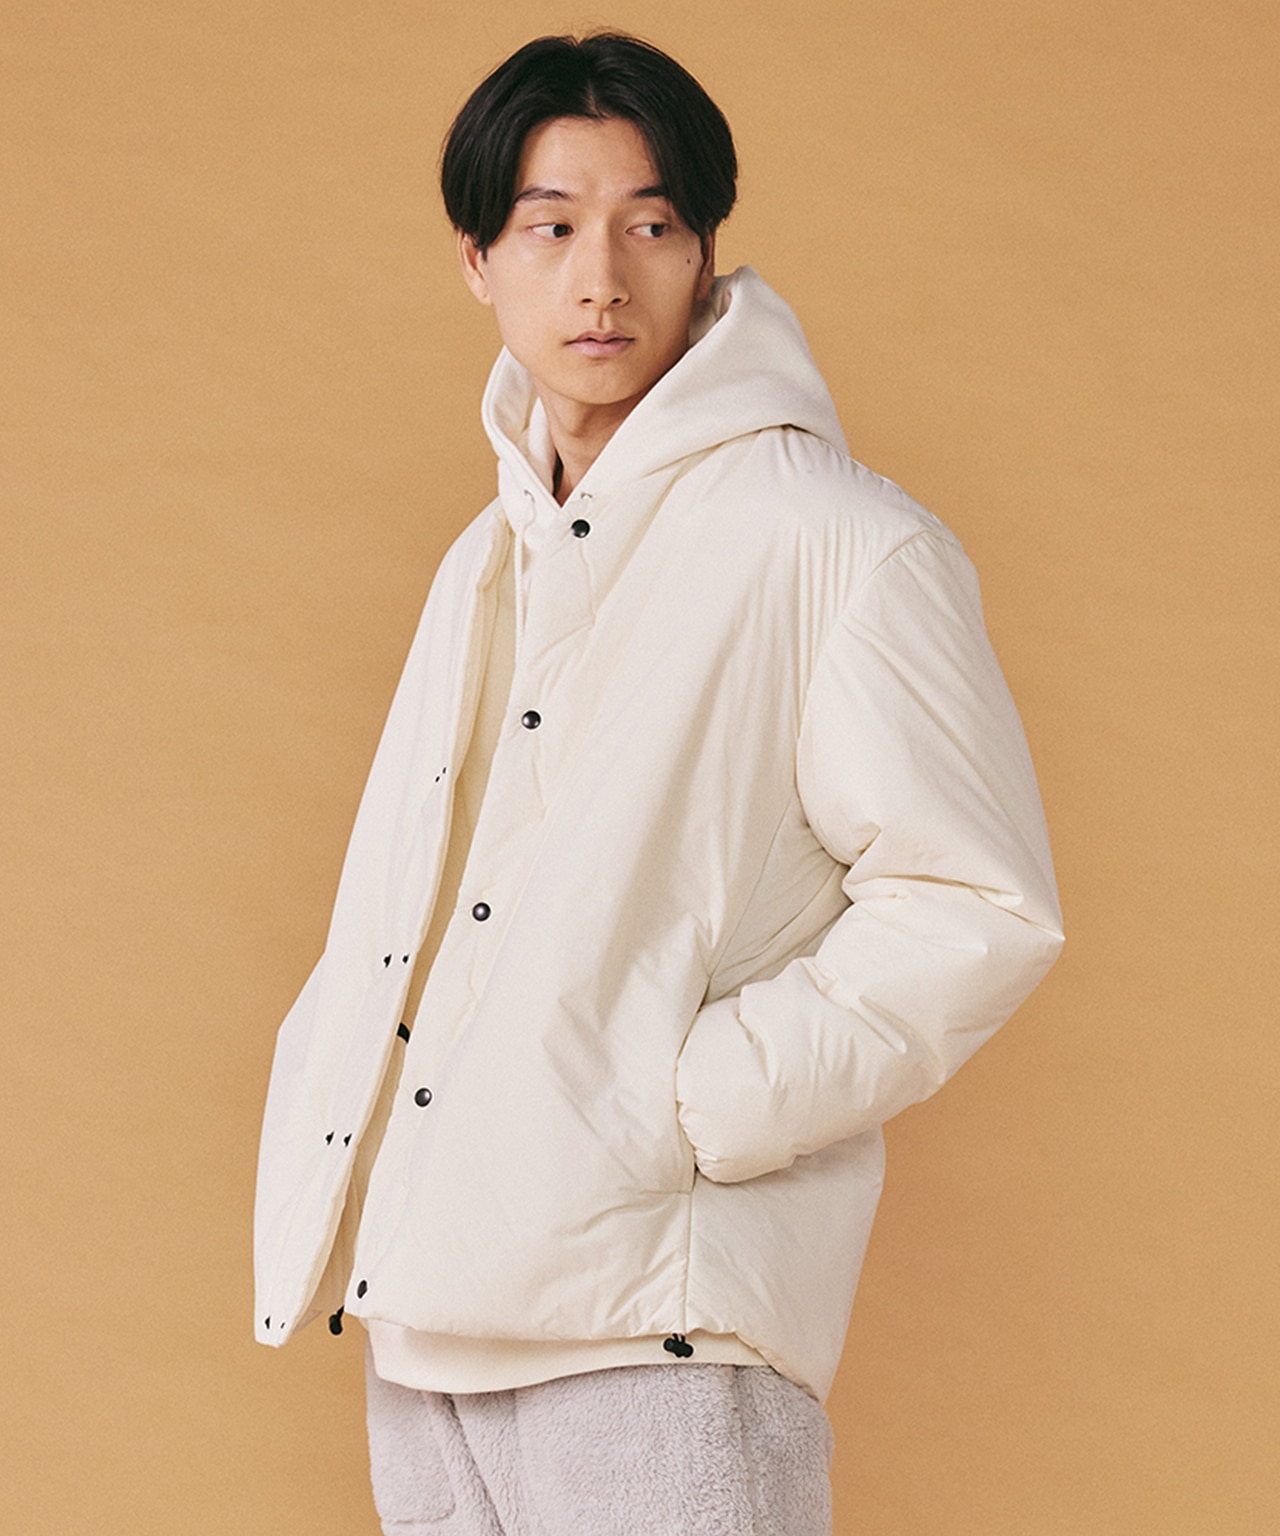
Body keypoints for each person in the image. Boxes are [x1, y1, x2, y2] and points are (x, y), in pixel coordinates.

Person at [254, 31, 1064, 1535]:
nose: (601, 280)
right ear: (477, 262)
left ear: (703, 253)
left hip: (653, 1330)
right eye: (551, 228)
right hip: (425, 1325)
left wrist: (684, 1103)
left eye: (651, 224)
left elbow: (978, 903)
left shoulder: (831, 539)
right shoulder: (483, 562)